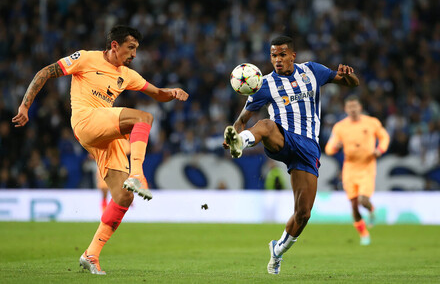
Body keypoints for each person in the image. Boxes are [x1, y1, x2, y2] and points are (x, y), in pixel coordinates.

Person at [12, 25, 188, 275]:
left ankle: (90, 254)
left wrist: (172, 93)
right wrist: (25, 105)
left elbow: (157, 93)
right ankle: (137, 174)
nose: (134, 54)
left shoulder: (126, 74)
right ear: (114, 45)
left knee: (123, 197)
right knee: (143, 118)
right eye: (131, 48)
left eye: (137, 49)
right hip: (85, 120)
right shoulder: (85, 58)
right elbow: (45, 73)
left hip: (104, 132)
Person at [223, 35, 359, 275]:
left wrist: (349, 75)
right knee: (265, 125)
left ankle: (277, 251)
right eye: (273, 55)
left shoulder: (312, 71)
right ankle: (241, 144)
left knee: (303, 213)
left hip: (308, 149)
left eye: (282, 54)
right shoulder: (263, 84)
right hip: (283, 139)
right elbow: (243, 119)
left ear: (293, 56)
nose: (278, 59)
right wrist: (233, 135)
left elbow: (352, 84)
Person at [325, 95, 389, 245]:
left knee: (363, 200)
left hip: (367, 165)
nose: (353, 110)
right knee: (354, 205)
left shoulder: (372, 122)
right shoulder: (340, 127)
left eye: (355, 107)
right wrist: (336, 147)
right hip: (350, 168)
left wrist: (380, 149)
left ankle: (371, 209)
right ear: (346, 109)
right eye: (350, 107)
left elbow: (384, 137)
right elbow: (328, 149)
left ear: (360, 107)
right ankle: (364, 234)